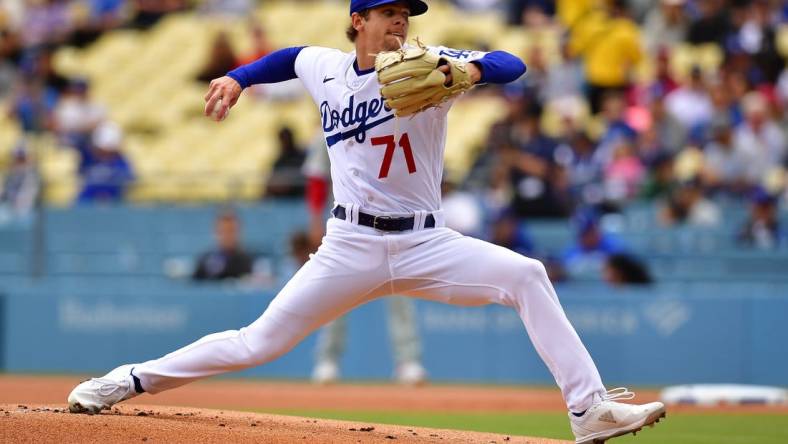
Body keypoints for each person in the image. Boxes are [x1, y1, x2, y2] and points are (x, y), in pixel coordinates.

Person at [67, 2, 665, 443]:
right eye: (387, 12)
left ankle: (587, 411)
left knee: (528, 275)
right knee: (259, 342)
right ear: (358, 21)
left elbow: (511, 65)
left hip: (427, 241)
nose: (400, 22)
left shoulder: (431, 66)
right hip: (349, 243)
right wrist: (238, 77)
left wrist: (471, 73)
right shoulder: (325, 66)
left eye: (406, 13)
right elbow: (286, 59)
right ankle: (130, 379)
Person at [302, 134, 427, 385]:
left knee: (401, 293)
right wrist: (315, 220)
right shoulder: (334, 125)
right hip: (348, 229)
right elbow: (317, 180)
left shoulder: (394, 125)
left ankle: (408, 361)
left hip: (393, 225)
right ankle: (328, 360)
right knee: (335, 295)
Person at [192, 210, 255, 281]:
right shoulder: (205, 261)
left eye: (231, 231)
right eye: (223, 231)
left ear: (239, 232)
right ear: (216, 232)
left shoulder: (249, 261)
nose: (227, 235)